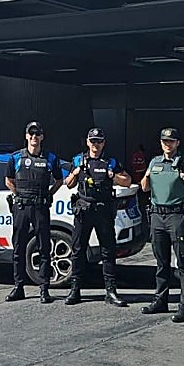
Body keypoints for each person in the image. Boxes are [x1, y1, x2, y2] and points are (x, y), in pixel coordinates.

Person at [139, 127, 184, 322]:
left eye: (171, 141)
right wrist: (147, 175)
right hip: (157, 216)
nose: (167, 144)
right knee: (161, 262)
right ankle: (160, 300)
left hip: (176, 216)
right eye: (164, 141)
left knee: (183, 262)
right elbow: (145, 188)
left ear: (177, 143)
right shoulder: (155, 161)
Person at [64, 127, 131, 308]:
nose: (96, 144)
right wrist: (75, 172)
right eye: (93, 141)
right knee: (78, 250)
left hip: (103, 210)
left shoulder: (111, 162)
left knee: (108, 251)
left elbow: (127, 181)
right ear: (87, 142)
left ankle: (110, 291)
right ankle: (75, 289)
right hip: (84, 209)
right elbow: (68, 184)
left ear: (103, 143)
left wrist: (113, 176)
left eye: (99, 141)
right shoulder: (79, 159)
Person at [3, 120, 62, 304]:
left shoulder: (50, 158)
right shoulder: (16, 158)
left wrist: (48, 194)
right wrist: (18, 194)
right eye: (31, 133)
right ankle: (18, 287)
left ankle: (44, 288)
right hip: (22, 208)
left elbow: (59, 180)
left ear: (42, 137)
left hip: (40, 208)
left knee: (44, 248)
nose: (34, 137)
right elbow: (8, 180)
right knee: (19, 248)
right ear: (26, 136)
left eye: (37, 134)